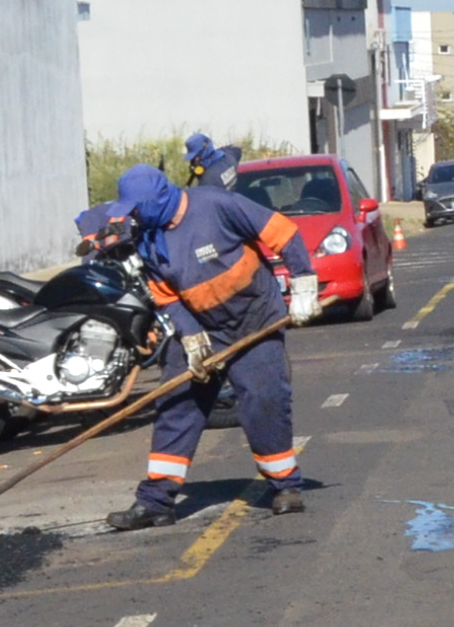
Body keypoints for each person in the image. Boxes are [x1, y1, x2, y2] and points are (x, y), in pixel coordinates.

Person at [101, 158, 321, 529]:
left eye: (136, 208)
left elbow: (283, 232)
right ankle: (156, 502)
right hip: (203, 328)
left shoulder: (217, 205)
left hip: (256, 321)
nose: (132, 216)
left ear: (156, 200)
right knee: (177, 404)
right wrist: (190, 335)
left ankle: (285, 486)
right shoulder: (148, 238)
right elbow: (165, 293)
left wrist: (304, 284)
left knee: (263, 400)